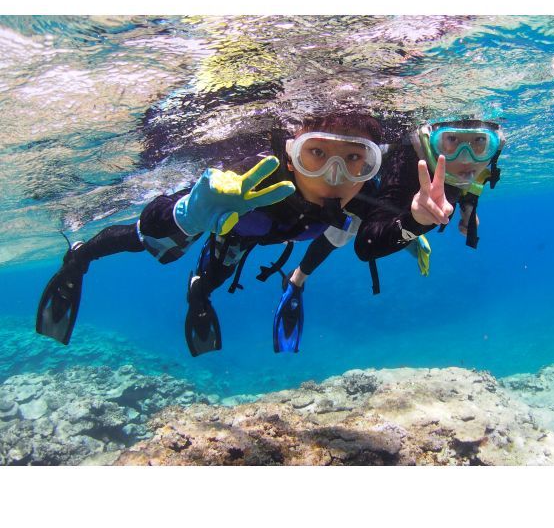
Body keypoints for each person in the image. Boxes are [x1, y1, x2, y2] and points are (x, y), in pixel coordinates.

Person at [36, 113, 387, 356]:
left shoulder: (358, 203)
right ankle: (80, 257)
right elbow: (153, 222)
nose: (334, 173)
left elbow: (333, 238)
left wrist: (297, 281)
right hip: (227, 220)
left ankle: (199, 296)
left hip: (247, 235)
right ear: (291, 157)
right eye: (317, 153)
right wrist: (187, 214)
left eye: (356, 157)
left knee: (208, 284)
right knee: (152, 243)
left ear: (371, 168)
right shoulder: (250, 177)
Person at [352, 119, 506, 281]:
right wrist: (415, 223)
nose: (467, 158)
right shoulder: (405, 167)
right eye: (452, 139)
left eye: (480, 140)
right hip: (350, 213)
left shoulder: (467, 165)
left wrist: (467, 208)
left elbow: (468, 183)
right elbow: (366, 247)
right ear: (427, 141)